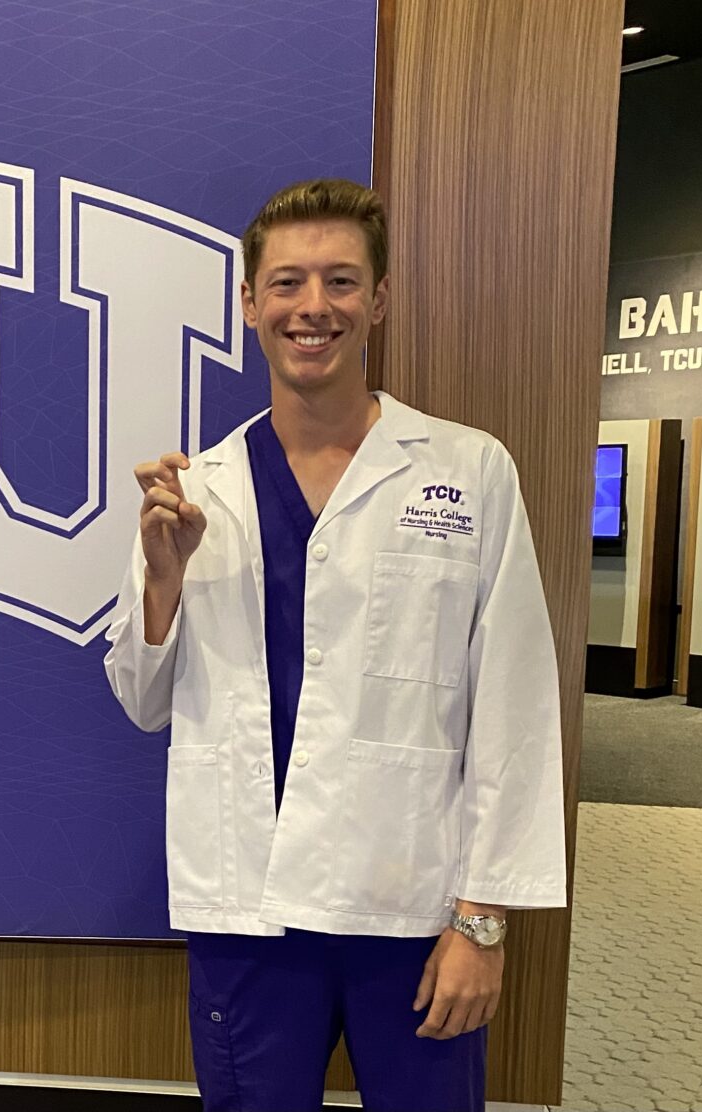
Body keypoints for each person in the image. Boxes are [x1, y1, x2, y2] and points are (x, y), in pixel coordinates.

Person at [102, 179, 566, 1112]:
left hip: (409, 903)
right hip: (249, 908)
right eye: (287, 284)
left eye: (342, 282)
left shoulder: (467, 470)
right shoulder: (200, 490)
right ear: (248, 304)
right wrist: (162, 576)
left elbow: (513, 703)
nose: (313, 307)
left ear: (379, 301)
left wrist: (482, 923)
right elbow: (144, 699)